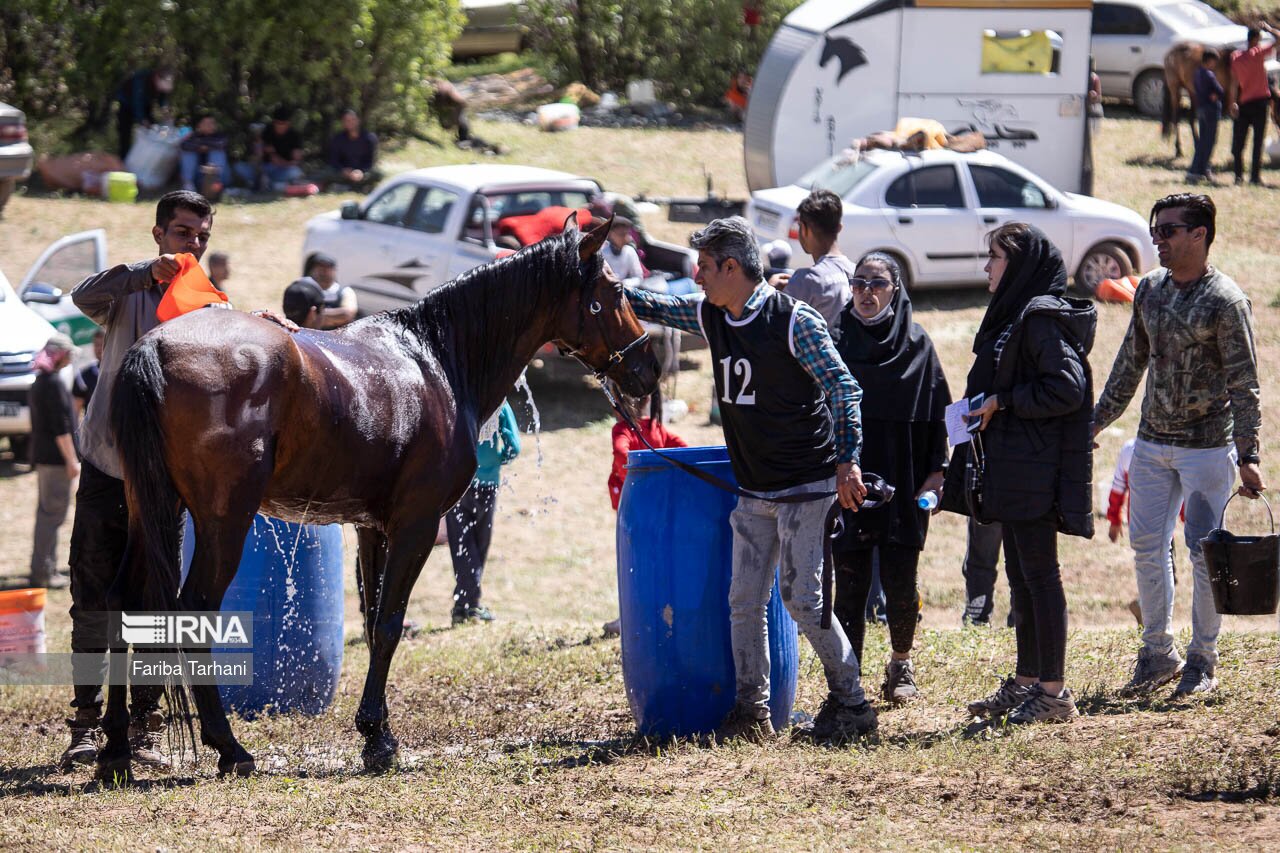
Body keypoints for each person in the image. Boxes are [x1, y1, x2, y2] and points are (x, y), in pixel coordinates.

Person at [626, 216, 876, 744]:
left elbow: (843, 388)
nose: (696, 277)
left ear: (732, 267)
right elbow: (652, 306)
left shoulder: (794, 321)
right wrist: (596, 285)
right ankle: (751, 712)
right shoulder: (713, 314)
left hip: (806, 487)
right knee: (743, 601)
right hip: (753, 489)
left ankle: (853, 704)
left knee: (804, 601)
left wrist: (847, 462)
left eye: (705, 267)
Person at [62, 190, 217, 771]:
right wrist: (141, 273)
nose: (193, 245)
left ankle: (145, 726)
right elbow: (82, 295)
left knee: (157, 603)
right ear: (158, 234)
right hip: (106, 467)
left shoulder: (204, 306)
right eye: (182, 233)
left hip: (166, 482)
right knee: (93, 597)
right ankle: (85, 719)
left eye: (201, 236)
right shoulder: (125, 293)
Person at [1093, 193, 1264, 699]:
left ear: (1199, 235)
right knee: (1147, 547)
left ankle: (1202, 660)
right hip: (1151, 445)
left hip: (1207, 448)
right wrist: (1096, 422)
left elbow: (1244, 383)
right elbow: (1129, 363)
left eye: (1167, 230)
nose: (1156, 240)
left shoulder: (1226, 300)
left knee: (1203, 554)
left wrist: (1249, 454)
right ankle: (1157, 653)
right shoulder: (1149, 290)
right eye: (1155, 229)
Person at [945, 222, 1096, 725]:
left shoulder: (1039, 319)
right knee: (1021, 577)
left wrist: (1002, 402)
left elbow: (1067, 389)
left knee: (1040, 578)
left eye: (995, 256)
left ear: (1023, 265)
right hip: (1011, 471)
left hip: (1032, 472)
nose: (987, 266)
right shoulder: (1016, 316)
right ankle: (1029, 681)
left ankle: (1054, 693)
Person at [830, 253, 949, 704]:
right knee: (850, 585)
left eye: (877, 283)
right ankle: (849, 679)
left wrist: (937, 473)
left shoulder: (918, 345)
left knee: (901, 586)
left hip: (905, 477)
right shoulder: (835, 341)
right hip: (848, 480)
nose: (866, 291)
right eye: (859, 282)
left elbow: (941, 414)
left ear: (895, 289)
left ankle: (901, 664)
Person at [447, 400, 521, 624]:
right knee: (479, 545)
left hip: (458, 483)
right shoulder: (499, 405)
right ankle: (471, 605)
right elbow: (514, 447)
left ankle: (464, 605)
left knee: (460, 544)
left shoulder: (460, 401)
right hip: (487, 485)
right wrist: (496, 462)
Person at [28, 333, 80, 590]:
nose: (71, 357)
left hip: (44, 459)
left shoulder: (40, 382)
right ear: (60, 356)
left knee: (46, 514)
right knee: (51, 516)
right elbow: (62, 428)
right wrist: (72, 460)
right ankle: (44, 573)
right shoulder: (54, 385)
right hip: (56, 461)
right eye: (68, 353)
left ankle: (42, 568)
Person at [768, 189, 853, 329]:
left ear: (805, 229)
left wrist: (770, 292)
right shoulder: (856, 272)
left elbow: (773, 326)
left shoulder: (806, 279)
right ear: (839, 227)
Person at [1228, 24, 1279, 186]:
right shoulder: (1258, 54)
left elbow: (1234, 83)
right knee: (1257, 142)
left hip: (1243, 103)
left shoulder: (1235, 57)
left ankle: (1238, 175)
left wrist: (1233, 102)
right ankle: (1254, 176)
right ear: (1256, 39)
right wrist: (1269, 28)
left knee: (1239, 142)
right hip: (1259, 103)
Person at [114, 66, 174, 159]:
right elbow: (137, 101)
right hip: (126, 103)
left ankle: (146, 157)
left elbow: (162, 100)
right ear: (157, 78)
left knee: (152, 129)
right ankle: (123, 161)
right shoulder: (141, 80)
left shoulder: (161, 84)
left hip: (146, 104)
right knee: (125, 135)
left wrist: (166, 112)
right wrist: (142, 119)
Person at [1187, 48, 1224, 184]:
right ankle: (1198, 169)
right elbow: (1220, 91)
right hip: (1210, 110)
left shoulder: (1197, 73)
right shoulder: (1209, 75)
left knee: (1202, 140)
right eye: (1214, 61)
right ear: (1209, 61)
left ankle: (1199, 170)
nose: (1215, 65)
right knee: (1209, 141)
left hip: (1201, 108)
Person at [325, 109, 379, 189]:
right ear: (343, 123)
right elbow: (334, 160)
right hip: (344, 173)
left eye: (353, 119)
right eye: (347, 120)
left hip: (362, 172)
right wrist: (343, 170)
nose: (350, 122)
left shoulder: (369, 138)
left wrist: (361, 171)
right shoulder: (337, 139)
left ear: (358, 121)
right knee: (327, 172)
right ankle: (357, 187)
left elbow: (371, 162)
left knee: (378, 174)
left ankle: (346, 187)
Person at [302, 252, 358, 328]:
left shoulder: (346, 292)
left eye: (327, 268)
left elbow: (347, 314)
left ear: (334, 270)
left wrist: (313, 315)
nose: (323, 272)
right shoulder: (303, 289)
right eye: (320, 267)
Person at [179, 114, 230, 194]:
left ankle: (216, 183)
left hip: (219, 175)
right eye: (206, 123)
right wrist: (204, 146)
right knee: (188, 153)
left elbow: (220, 144)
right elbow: (184, 145)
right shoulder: (192, 136)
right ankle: (188, 184)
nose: (209, 126)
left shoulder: (220, 136)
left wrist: (201, 146)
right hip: (198, 174)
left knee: (217, 152)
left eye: (212, 123)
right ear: (199, 125)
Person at [261, 107, 305, 188]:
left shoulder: (295, 135)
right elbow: (271, 158)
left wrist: (287, 163)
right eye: (278, 123)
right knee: (239, 167)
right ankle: (274, 184)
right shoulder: (268, 132)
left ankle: (273, 184)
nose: (280, 126)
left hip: (286, 170)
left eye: (283, 123)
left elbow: (296, 160)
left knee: (296, 172)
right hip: (268, 168)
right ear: (274, 122)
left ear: (288, 123)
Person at [72, 328, 105, 422]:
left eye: (103, 344)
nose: (99, 348)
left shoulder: (122, 370)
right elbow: (76, 410)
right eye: (97, 345)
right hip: (94, 431)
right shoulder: (84, 376)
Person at [602, 217, 645, 285]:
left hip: (623, 289)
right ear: (611, 234)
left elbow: (638, 277)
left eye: (627, 234)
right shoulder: (602, 252)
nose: (626, 238)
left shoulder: (630, 251)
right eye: (621, 234)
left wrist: (623, 283)